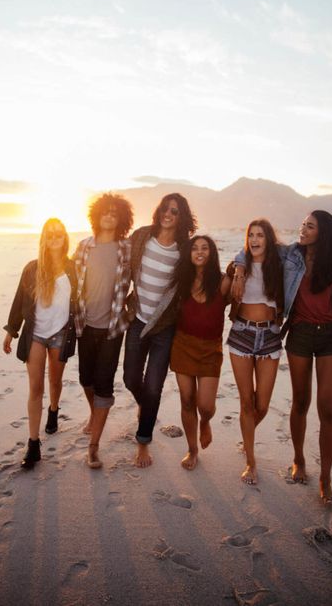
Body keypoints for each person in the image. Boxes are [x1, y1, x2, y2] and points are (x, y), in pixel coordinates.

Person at [233, 210, 332, 503]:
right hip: (299, 332)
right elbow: (254, 247)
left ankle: (325, 478)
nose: (303, 229)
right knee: (300, 402)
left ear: (323, 232)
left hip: (331, 337)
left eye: (309, 226)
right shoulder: (291, 255)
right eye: (302, 225)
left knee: (328, 408)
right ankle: (299, 458)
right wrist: (237, 266)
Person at [123, 193, 197, 468]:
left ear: (182, 217)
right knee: (131, 379)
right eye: (165, 209)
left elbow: (203, 270)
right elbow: (121, 265)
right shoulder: (142, 236)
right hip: (138, 318)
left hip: (165, 327)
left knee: (154, 386)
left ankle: (143, 442)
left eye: (175, 211)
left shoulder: (184, 249)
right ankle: (147, 407)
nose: (168, 214)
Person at [3, 218, 77, 469]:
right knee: (35, 388)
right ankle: (33, 444)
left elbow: (81, 300)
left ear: (64, 238)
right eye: (50, 234)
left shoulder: (72, 268)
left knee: (54, 381)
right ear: (44, 238)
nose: (55, 238)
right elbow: (18, 300)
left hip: (60, 334)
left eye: (59, 234)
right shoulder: (32, 268)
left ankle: (54, 410)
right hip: (35, 333)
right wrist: (11, 331)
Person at [73, 193, 133, 469]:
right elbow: (72, 284)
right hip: (85, 325)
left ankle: (93, 447)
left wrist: (129, 312)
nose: (109, 216)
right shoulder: (84, 247)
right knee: (86, 379)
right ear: (96, 215)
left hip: (112, 328)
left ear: (121, 218)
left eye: (114, 213)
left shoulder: (126, 248)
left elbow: (140, 280)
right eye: (105, 212)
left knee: (104, 384)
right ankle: (94, 413)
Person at [226, 219, 284, 486]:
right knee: (246, 403)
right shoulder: (240, 265)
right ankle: (251, 461)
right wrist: (238, 268)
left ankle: (246, 434)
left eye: (261, 235)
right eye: (251, 235)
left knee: (262, 404)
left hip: (270, 337)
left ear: (269, 239)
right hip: (242, 334)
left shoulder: (281, 266)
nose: (255, 240)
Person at [170, 235, 231, 470]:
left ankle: (205, 421)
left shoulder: (223, 282)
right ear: (189, 253)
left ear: (212, 253)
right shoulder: (181, 281)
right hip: (183, 344)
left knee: (205, 405)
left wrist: (239, 268)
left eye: (205, 248)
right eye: (195, 248)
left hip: (210, 349)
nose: (199, 251)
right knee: (187, 400)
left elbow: (240, 297)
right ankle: (192, 450)